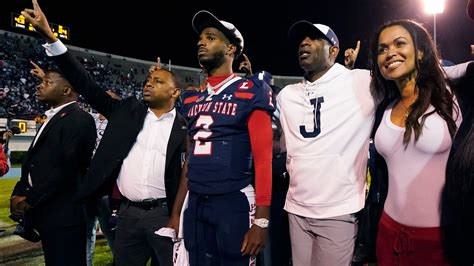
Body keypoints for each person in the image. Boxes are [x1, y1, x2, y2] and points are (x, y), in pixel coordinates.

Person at [21, 1, 189, 265]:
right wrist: (50, 37)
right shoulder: (127, 111)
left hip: (166, 215)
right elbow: (85, 83)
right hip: (127, 215)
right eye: (148, 80)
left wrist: (177, 215)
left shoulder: (185, 124)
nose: (148, 84)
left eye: (158, 81)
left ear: (175, 93)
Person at [368, 19, 473, 265]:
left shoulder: (453, 97)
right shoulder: (384, 104)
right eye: (382, 49)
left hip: (441, 242)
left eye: (399, 43)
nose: (389, 53)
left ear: (421, 51)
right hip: (388, 233)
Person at [180, 10, 274, 265]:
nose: (201, 42)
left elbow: (263, 158)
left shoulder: (250, 89)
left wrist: (262, 220)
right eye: (200, 38)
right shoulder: (191, 98)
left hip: (233, 201)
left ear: (231, 48)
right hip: (196, 200)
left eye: (210, 37)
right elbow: (189, 157)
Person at [277, 21, 375, 266]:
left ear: (333, 51)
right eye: (302, 40)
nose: (304, 43)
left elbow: (418, 77)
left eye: (314, 39)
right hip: (297, 207)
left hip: (338, 208)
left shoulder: (362, 82)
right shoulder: (287, 95)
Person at [9, 65, 97, 265]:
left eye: (47, 82)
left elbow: (65, 168)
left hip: (65, 214)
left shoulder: (79, 119)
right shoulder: (54, 117)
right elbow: (33, 163)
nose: (40, 86)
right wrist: (18, 192)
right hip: (48, 212)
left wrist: (29, 200)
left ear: (66, 90)